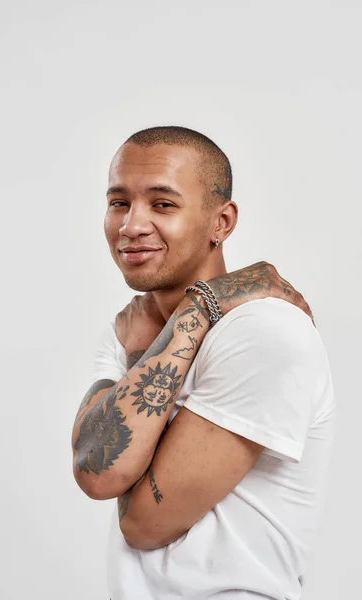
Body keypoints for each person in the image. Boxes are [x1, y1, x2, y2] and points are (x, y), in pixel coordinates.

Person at [71, 126, 335, 600]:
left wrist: (200, 305)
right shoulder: (130, 331)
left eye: (163, 204)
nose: (131, 225)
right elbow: (96, 469)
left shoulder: (264, 332)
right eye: (118, 202)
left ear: (222, 222)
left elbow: (144, 525)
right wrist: (197, 308)